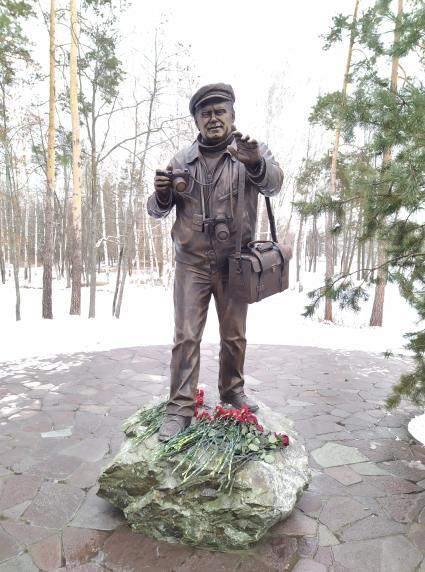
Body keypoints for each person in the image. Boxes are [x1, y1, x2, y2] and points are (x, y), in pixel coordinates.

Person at [147, 83, 283, 441]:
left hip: (234, 262)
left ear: (232, 116)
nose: (213, 118)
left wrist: (256, 162)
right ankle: (179, 406)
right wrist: (161, 195)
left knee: (234, 336)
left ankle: (232, 390)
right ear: (196, 121)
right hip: (191, 263)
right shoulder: (181, 160)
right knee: (186, 336)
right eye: (205, 113)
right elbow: (156, 209)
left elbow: (274, 183)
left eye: (220, 111)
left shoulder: (250, 152)